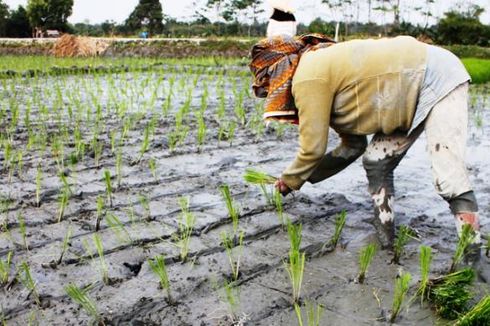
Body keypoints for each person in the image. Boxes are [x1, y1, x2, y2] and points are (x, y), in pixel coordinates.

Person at [249, 34, 488, 280]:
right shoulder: (317, 68)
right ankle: (385, 237)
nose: (268, 89)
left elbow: (312, 149)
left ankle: (474, 258)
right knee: (376, 160)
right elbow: (352, 146)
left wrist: (289, 180)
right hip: (404, 91)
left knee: (447, 177)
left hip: (436, 76)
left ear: (278, 69)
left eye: (267, 81)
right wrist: (303, 177)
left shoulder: (308, 76)